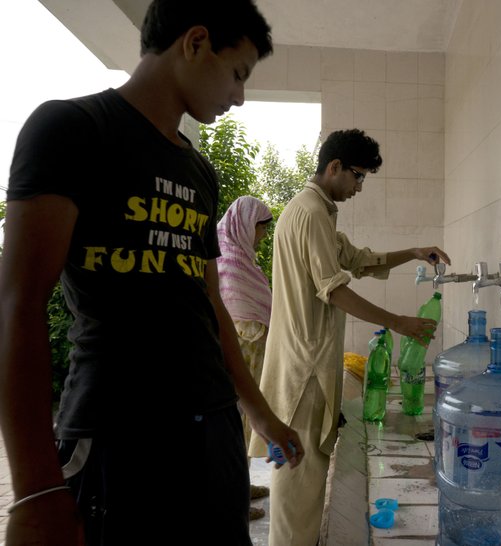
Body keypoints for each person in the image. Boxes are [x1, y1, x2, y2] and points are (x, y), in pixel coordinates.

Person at [0, 1, 304, 545]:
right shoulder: (72, 130)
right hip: (117, 435)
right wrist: (36, 490)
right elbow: (17, 306)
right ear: (195, 42)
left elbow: (209, 305)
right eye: (238, 73)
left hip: (211, 431)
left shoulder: (200, 171)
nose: (239, 95)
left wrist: (259, 415)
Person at [249, 128, 450, 545]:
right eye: (357, 176)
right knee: (298, 490)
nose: (359, 187)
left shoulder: (317, 212)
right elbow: (335, 290)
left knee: (304, 486)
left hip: (306, 365)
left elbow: (358, 260)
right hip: (304, 371)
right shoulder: (310, 213)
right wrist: (399, 322)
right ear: (334, 166)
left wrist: (413, 252)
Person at [216, 195, 274, 520]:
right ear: (246, 225)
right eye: (261, 229)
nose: (262, 236)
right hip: (238, 354)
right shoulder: (227, 260)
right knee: (235, 424)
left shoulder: (242, 258)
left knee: (247, 424)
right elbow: (235, 313)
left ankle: (242, 485)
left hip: (251, 352)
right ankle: (232, 502)